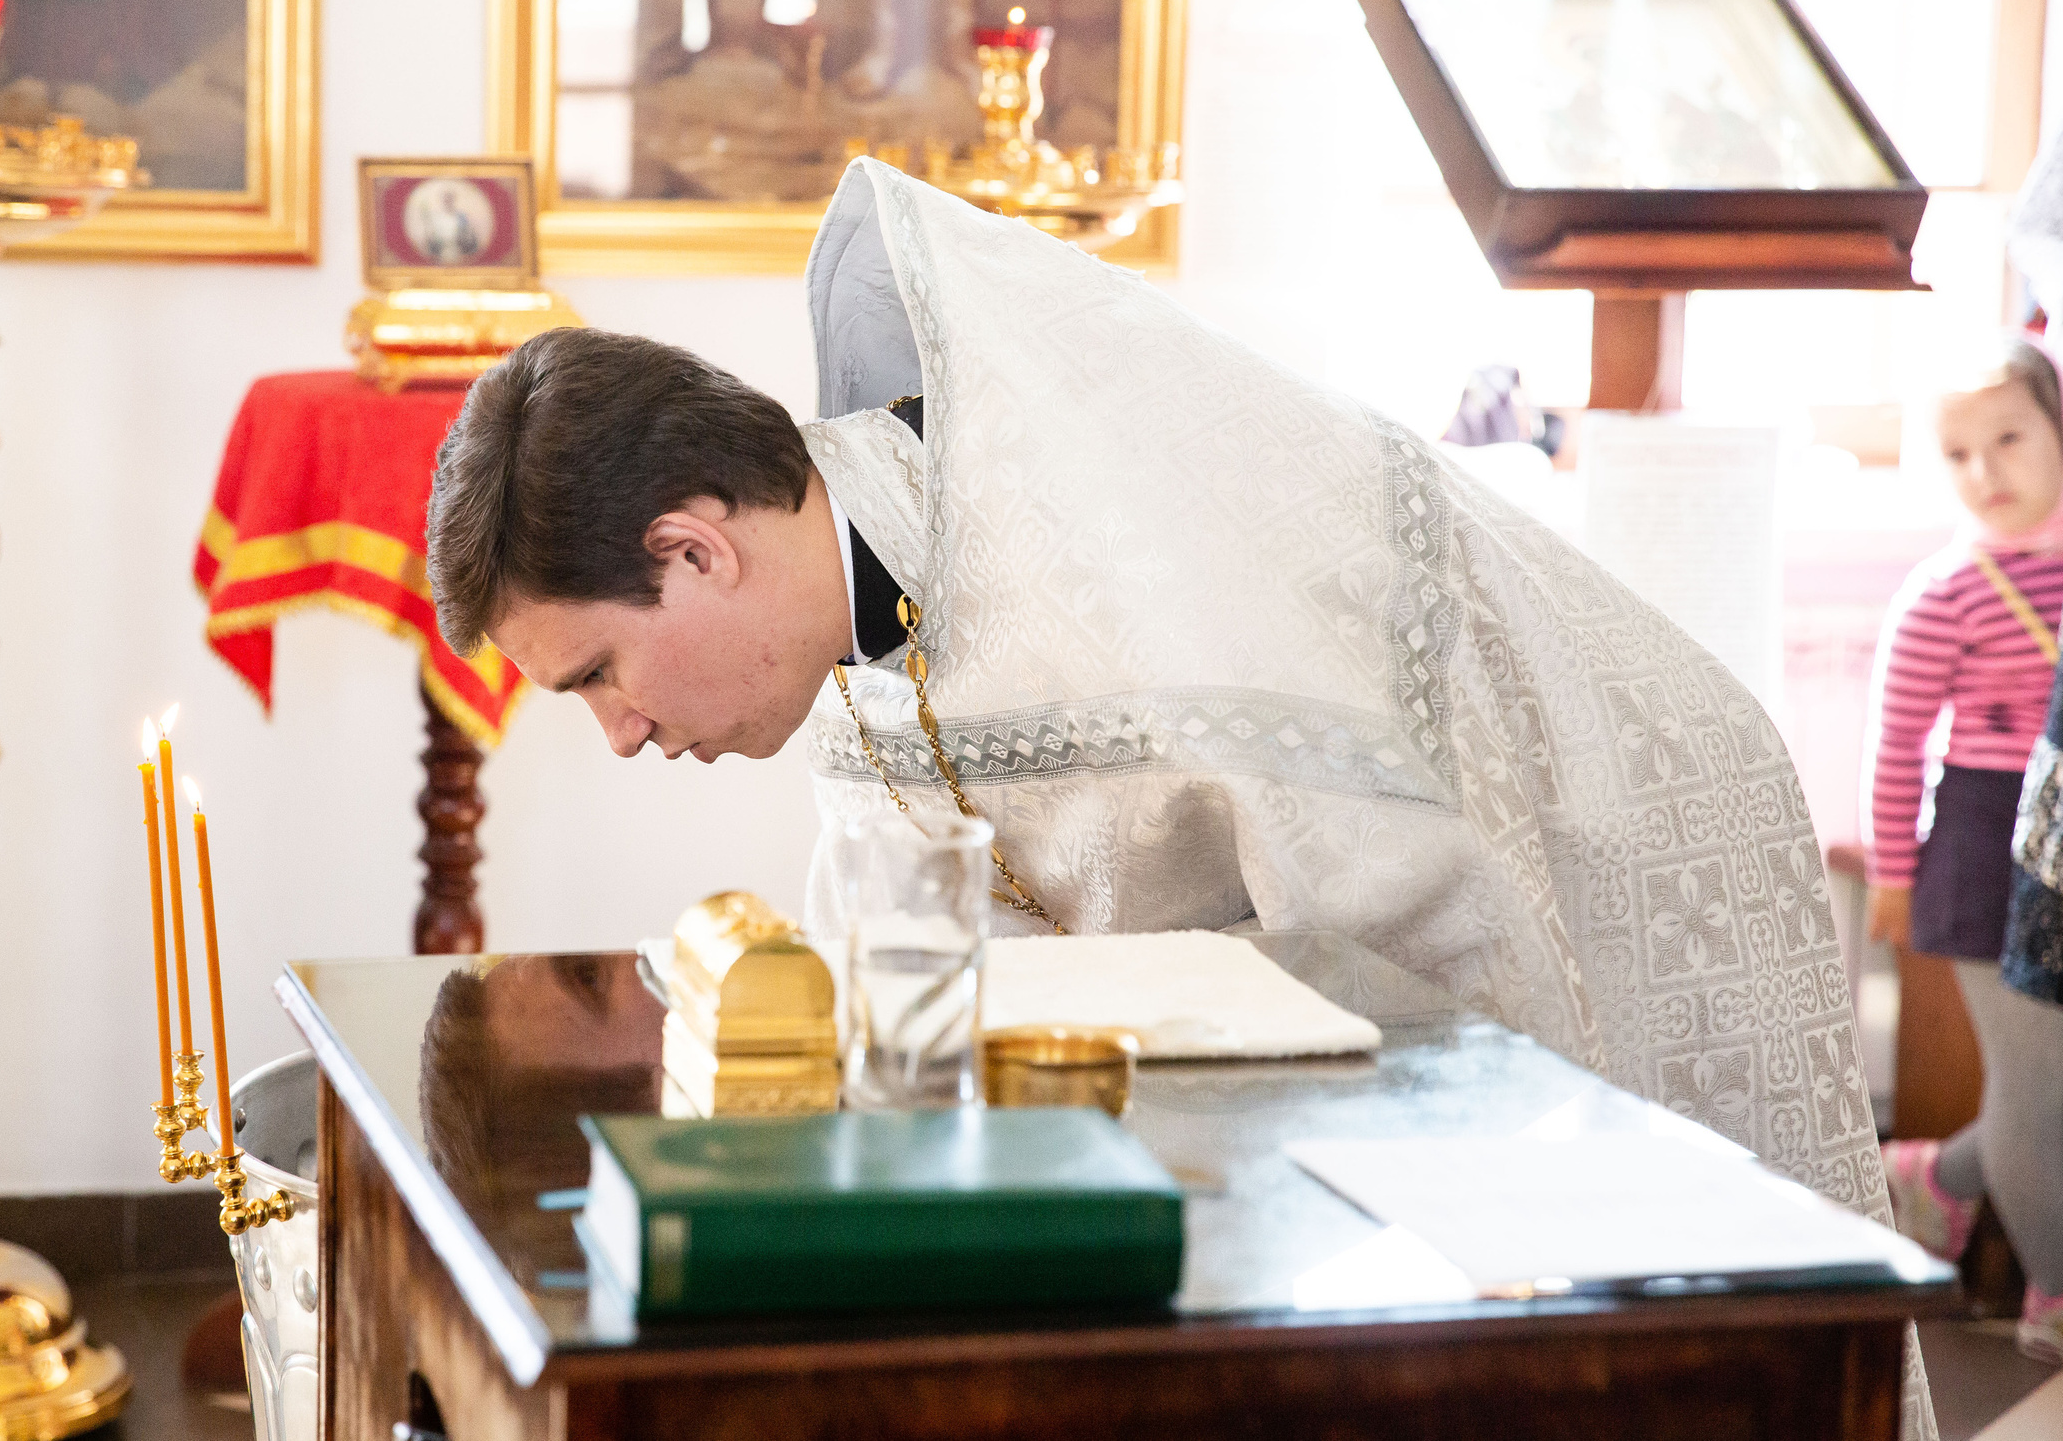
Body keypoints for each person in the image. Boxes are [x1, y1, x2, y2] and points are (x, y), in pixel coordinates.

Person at [424, 156, 1925, 1425]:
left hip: (1619, 813)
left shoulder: (1124, 557)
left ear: (694, 548)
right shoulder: (850, 656)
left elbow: (1412, 961)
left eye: (598, 674)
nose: (618, 732)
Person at [1866, 333, 2063, 1363]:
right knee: (2036, 1084)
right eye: (1956, 454)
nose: (1984, 474)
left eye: (2008, 439)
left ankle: (1935, 1179)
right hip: (1987, 848)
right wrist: (1892, 878)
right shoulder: (1943, 596)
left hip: (2057, 841)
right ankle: (2053, 1298)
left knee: (2050, 1084)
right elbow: (1896, 746)